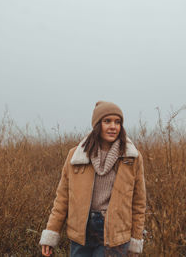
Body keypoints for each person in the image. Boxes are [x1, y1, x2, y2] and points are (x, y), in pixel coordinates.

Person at [39, 101, 146, 257]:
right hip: (81, 233)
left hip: (115, 234)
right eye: (107, 121)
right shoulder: (76, 155)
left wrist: (136, 240)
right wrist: (51, 233)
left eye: (117, 122)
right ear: (97, 124)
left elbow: (139, 203)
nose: (113, 126)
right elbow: (62, 198)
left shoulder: (131, 157)